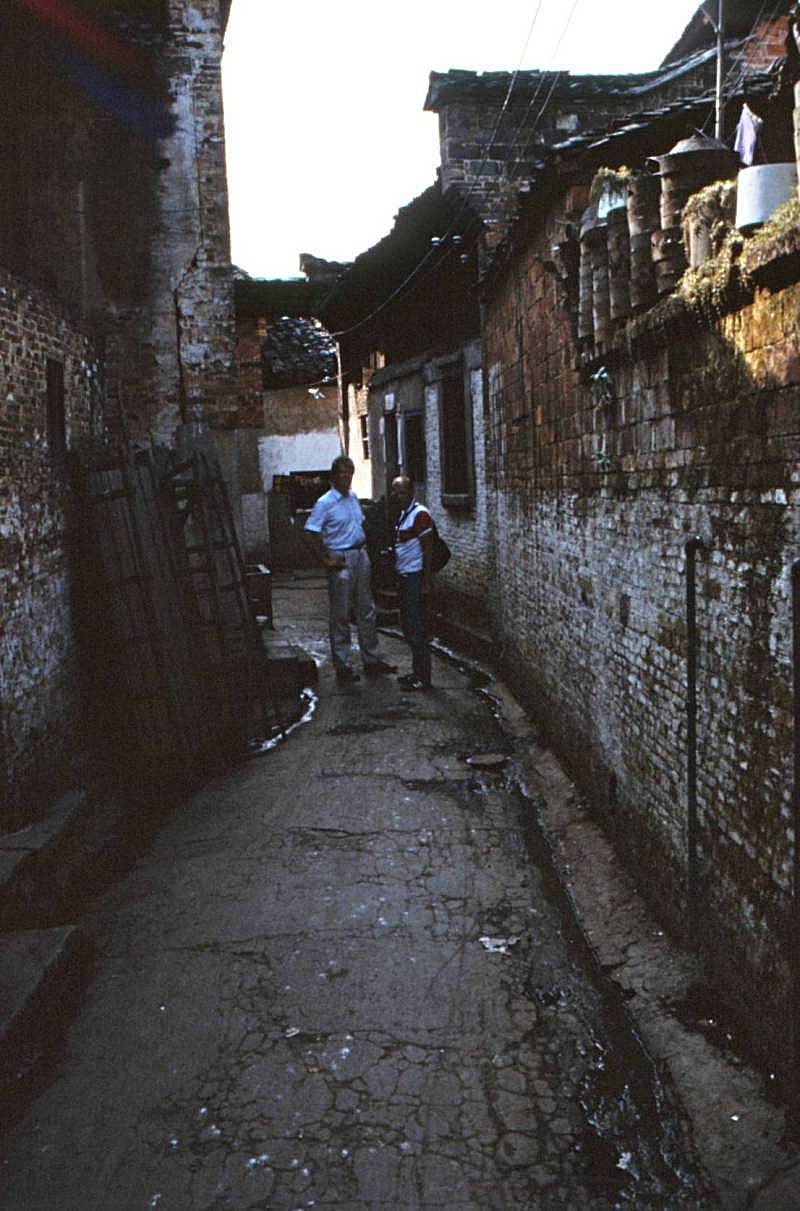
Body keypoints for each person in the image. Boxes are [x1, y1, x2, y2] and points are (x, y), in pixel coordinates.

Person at [304, 455, 396, 684]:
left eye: (349, 473)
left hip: (360, 555)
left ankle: (372, 659)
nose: (346, 478)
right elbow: (309, 533)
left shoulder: (353, 497)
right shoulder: (325, 502)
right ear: (333, 477)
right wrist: (325, 560)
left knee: (366, 610)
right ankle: (342, 665)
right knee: (341, 614)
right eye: (342, 474)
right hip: (340, 557)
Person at [390, 474, 433, 690]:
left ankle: (423, 678)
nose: (397, 496)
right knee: (408, 626)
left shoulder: (420, 515)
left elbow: (428, 550)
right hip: (404, 576)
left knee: (417, 628)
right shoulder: (403, 515)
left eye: (402, 492)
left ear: (411, 493)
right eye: (395, 492)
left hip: (415, 577)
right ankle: (417, 672)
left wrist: (426, 582)